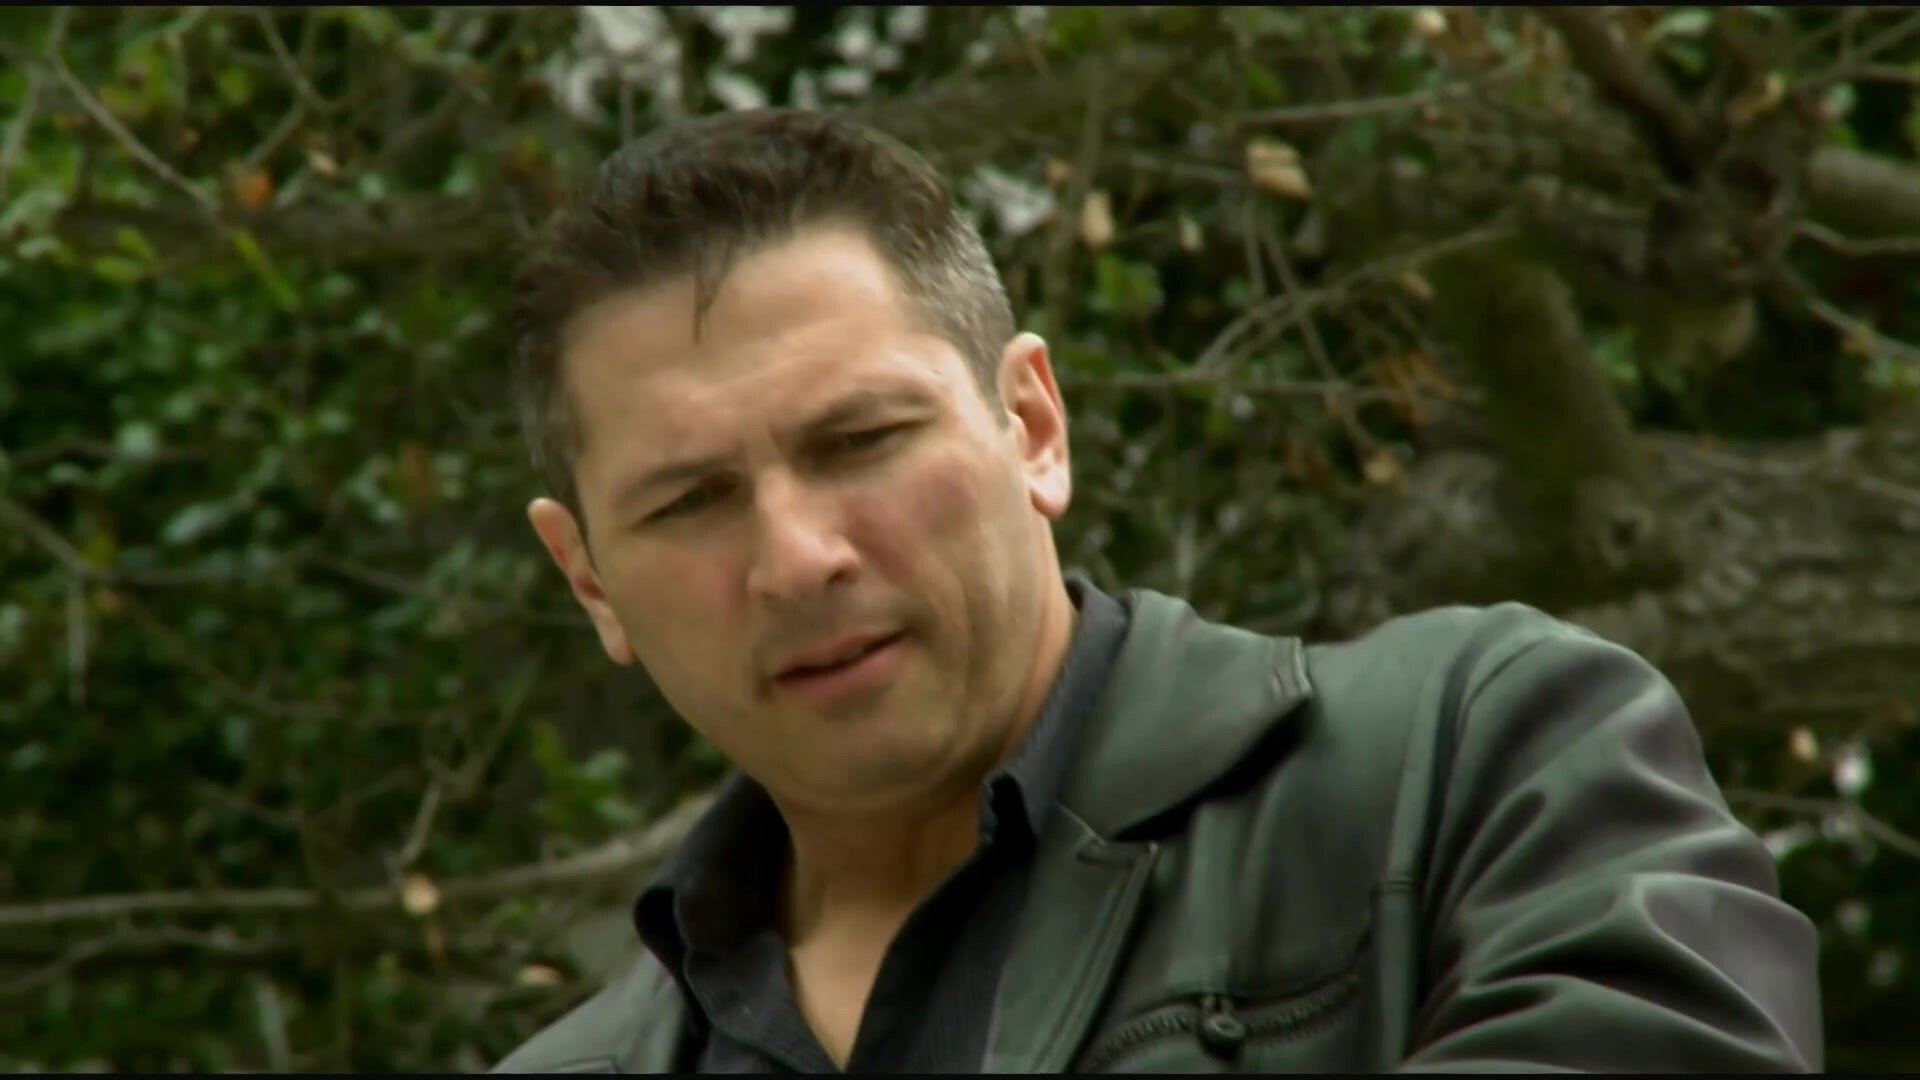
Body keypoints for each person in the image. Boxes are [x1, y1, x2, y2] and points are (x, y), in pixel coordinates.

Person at [492, 108, 1823, 1073]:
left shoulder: (1480, 757)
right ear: (590, 579)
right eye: (690, 502)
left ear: (1033, 428)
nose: (797, 558)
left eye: (860, 441)